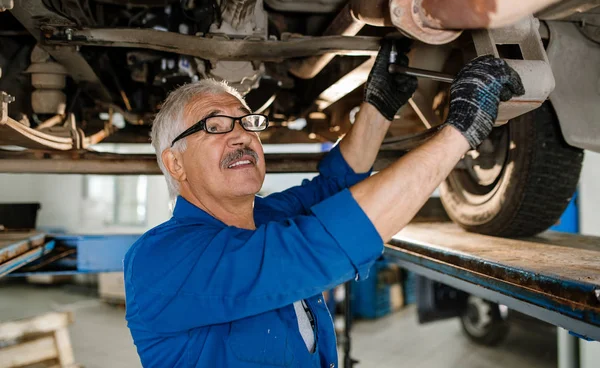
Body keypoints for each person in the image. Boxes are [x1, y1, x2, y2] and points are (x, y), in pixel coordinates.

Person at [123, 39, 524, 368]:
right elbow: (321, 245)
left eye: (247, 122)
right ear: (175, 163)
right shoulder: (158, 261)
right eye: (214, 126)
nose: (242, 136)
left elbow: (336, 185)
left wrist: (378, 106)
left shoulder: (268, 216)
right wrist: (459, 132)